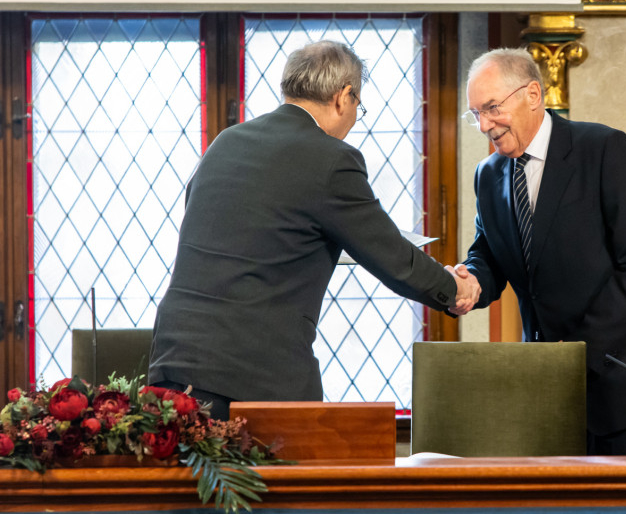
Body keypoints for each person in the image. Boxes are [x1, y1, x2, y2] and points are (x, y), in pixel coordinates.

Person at [148, 40, 480, 419]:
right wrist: (455, 290)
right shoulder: (331, 159)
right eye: (358, 106)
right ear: (343, 97)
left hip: (172, 365)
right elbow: (392, 257)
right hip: (251, 377)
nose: (354, 118)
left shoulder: (226, 141)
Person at [455, 48, 626, 456]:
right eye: (475, 114)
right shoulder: (488, 174)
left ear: (532, 95)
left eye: (492, 108)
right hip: (548, 383)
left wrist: (578, 350)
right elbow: (490, 254)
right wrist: (468, 282)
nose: (484, 125)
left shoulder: (603, 148)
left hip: (620, 374)